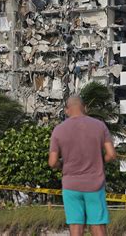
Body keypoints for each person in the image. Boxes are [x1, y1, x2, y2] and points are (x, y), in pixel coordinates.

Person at [49, 96, 116, 236]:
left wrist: (63, 165)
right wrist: (99, 161)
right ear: (85, 108)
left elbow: (52, 162)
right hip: (95, 184)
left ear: (67, 110)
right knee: (98, 225)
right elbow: (111, 154)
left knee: (75, 226)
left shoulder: (58, 130)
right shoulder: (99, 126)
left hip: (71, 185)